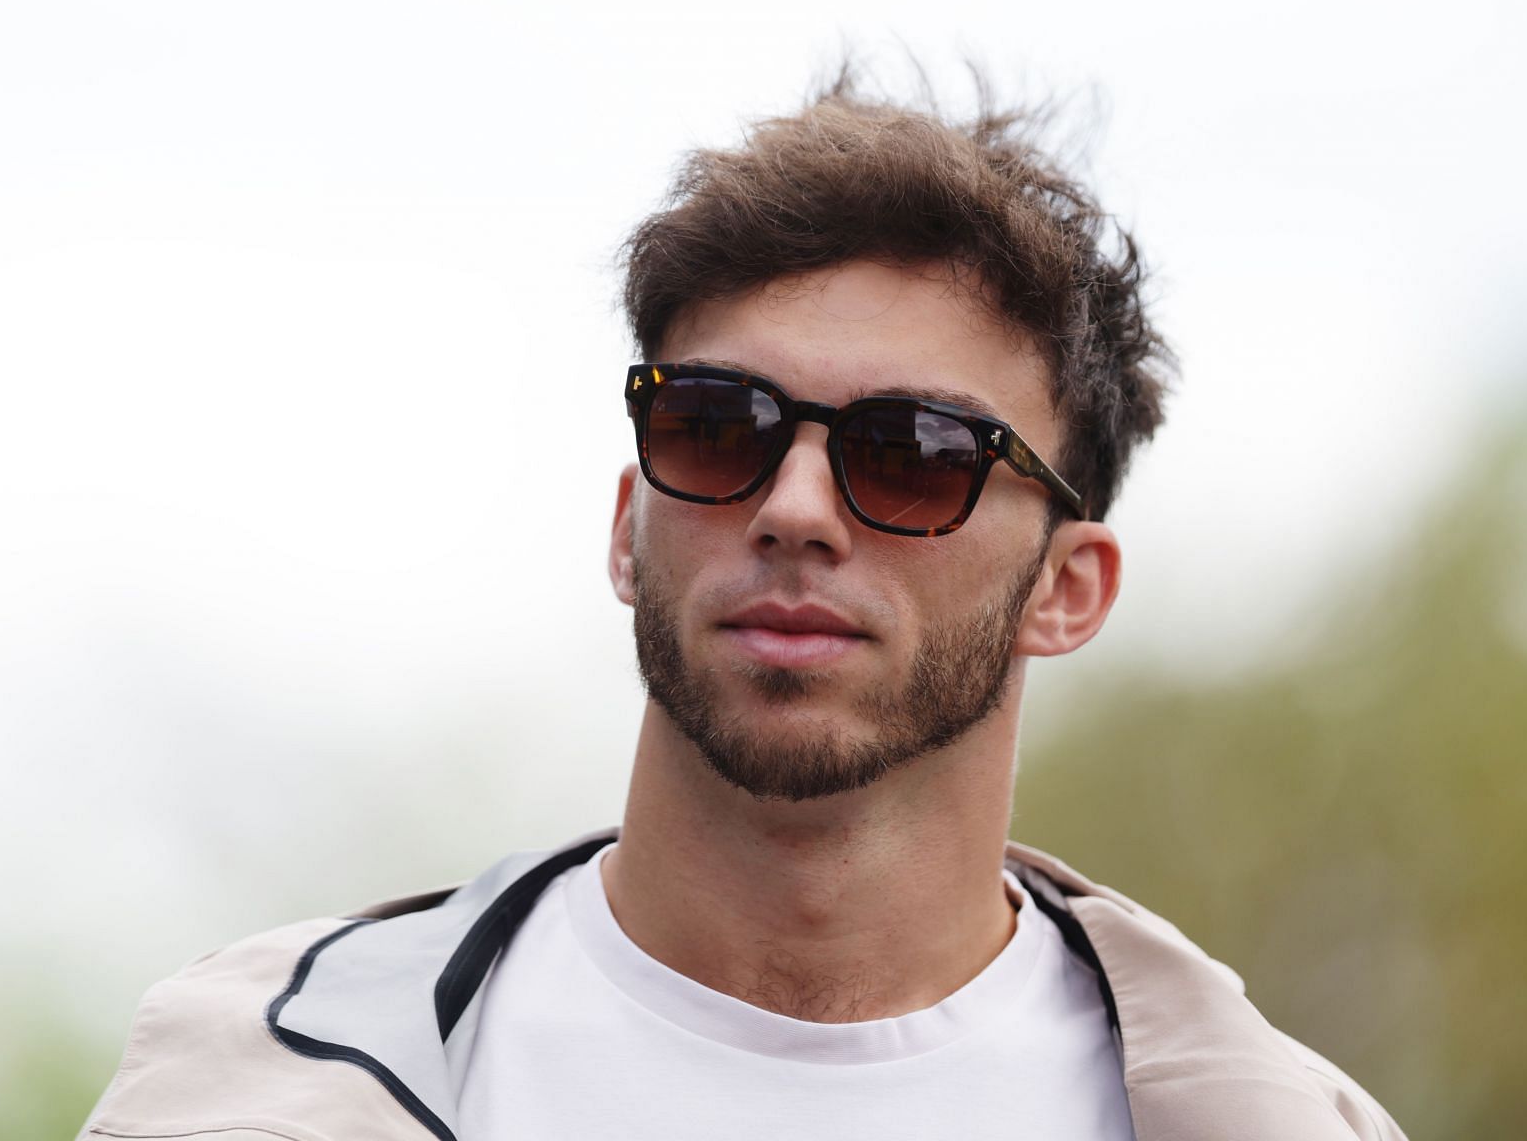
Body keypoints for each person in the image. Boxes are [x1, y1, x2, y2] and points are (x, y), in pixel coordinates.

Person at [76, 76, 1406, 1141]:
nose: (796, 509)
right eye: (720, 428)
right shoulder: (251, 1085)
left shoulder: (1273, 1118)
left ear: (1066, 592)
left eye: (916, 455)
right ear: (625, 527)